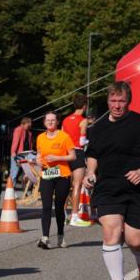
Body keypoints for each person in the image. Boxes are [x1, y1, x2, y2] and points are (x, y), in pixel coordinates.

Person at [84, 81, 140, 280]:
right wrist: (91, 172)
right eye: (113, 100)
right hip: (107, 187)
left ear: (128, 101)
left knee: (135, 240)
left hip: (138, 188)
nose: (117, 105)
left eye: (121, 101)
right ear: (108, 101)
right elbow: (92, 154)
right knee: (111, 231)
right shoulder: (98, 128)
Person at [36, 111, 77, 249]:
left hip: (62, 175)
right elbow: (39, 154)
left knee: (59, 207)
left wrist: (57, 158)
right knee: (46, 207)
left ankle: (60, 236)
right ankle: (45, 238)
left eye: (53, 120)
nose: (50, 122)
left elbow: (73, 156)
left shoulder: (64, 137)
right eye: (48, 120)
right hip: (47, 174)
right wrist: (38, 161)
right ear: (44, 122)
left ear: (57, 122)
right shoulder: (40, 137)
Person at [63, 94, 89, 222]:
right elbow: (82, 141)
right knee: (77, 185)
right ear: (84, 106)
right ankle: (74, 215)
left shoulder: (65, 120)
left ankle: (62, 215)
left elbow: (62, 138)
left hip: (65, 154)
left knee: (64, 186)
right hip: (77, 153)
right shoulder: (83, 120)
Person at [10, 116, 34, 189]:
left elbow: (30, 145)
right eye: (28, 124)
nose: (30, 126)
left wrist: (31, 152)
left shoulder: (29, 133)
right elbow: (15, 141)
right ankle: (10, 191)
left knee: (28, 172)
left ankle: (26, 189)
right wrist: (13, 152)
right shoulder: (18, 130)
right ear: (23, 123)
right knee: (14, 173)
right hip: (18, 154)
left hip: (26, 154)